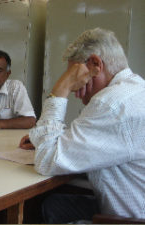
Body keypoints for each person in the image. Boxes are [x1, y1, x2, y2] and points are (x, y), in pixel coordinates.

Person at [20, 28, 145, 222]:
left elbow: (46, 161)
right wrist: (48, 140)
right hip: (135, 208)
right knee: (53, 205)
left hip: (127, 220)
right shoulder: (136, 89)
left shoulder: (111, 103)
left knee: (40, 206)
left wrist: (60, 88)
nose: (77, 94)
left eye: (77, 81)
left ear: (96, 64)